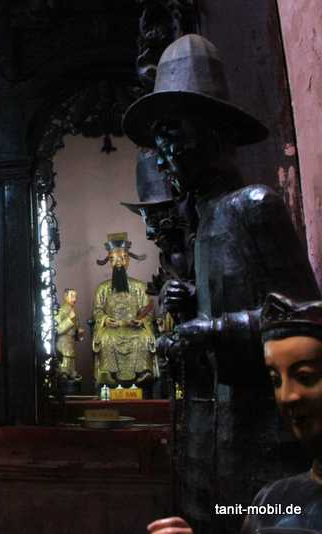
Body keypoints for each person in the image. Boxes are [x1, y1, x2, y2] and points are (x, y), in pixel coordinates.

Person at [123, 34, 321, 532]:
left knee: (258, 520)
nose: (164, 154)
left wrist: (210, 330)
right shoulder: (205, 217)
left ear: (210, 129)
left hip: (258, 426)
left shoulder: (254, 205)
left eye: (172, 132)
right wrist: (191, 303)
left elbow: (301, 321)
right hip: (208, 431)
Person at [148, 293, 322, 533]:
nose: (286, 396)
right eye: (275, 380)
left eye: (304, 377)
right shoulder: (273, 499)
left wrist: (219, 330)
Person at [91, 233, 157, 389]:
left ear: (128, 260)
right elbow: (97, 310)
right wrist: (105, 320)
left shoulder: (140, 287)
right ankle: (107, 373)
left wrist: (141, 320)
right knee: (106, 338)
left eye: (123, 258)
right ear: (109, 262)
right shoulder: (102, 288)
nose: (119, 263)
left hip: (134, 327)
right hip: (112, 328)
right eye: (114, 259)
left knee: (143, 337)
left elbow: (147, 311)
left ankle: (143, 372)